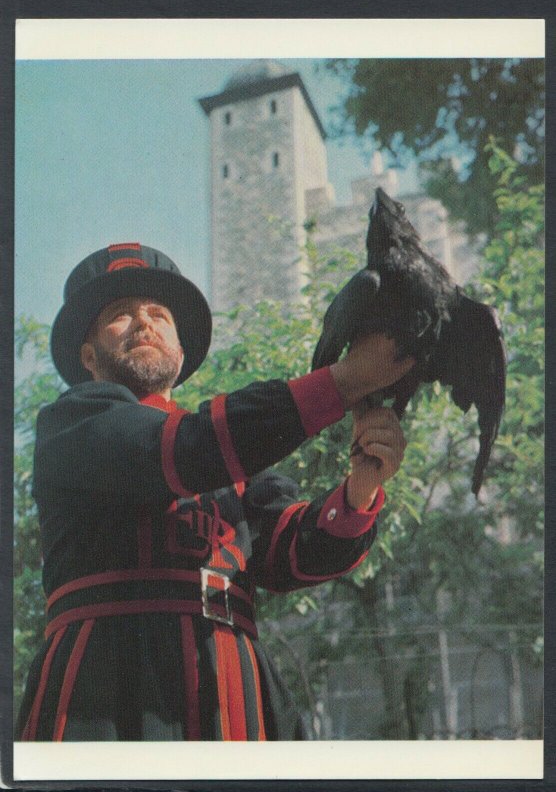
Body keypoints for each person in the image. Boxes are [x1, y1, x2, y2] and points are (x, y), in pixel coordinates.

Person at [16, 243, 413, 741]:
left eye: (159, 314)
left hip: (236, 688)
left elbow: (292, 555)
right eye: (121, 314)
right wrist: (344, 381)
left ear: (180, 355)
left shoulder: (226, 456)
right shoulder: (70, 423)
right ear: (89, 355)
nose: (144, 322)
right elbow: (184, 451)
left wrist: (362, 486)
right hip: (104, 687)